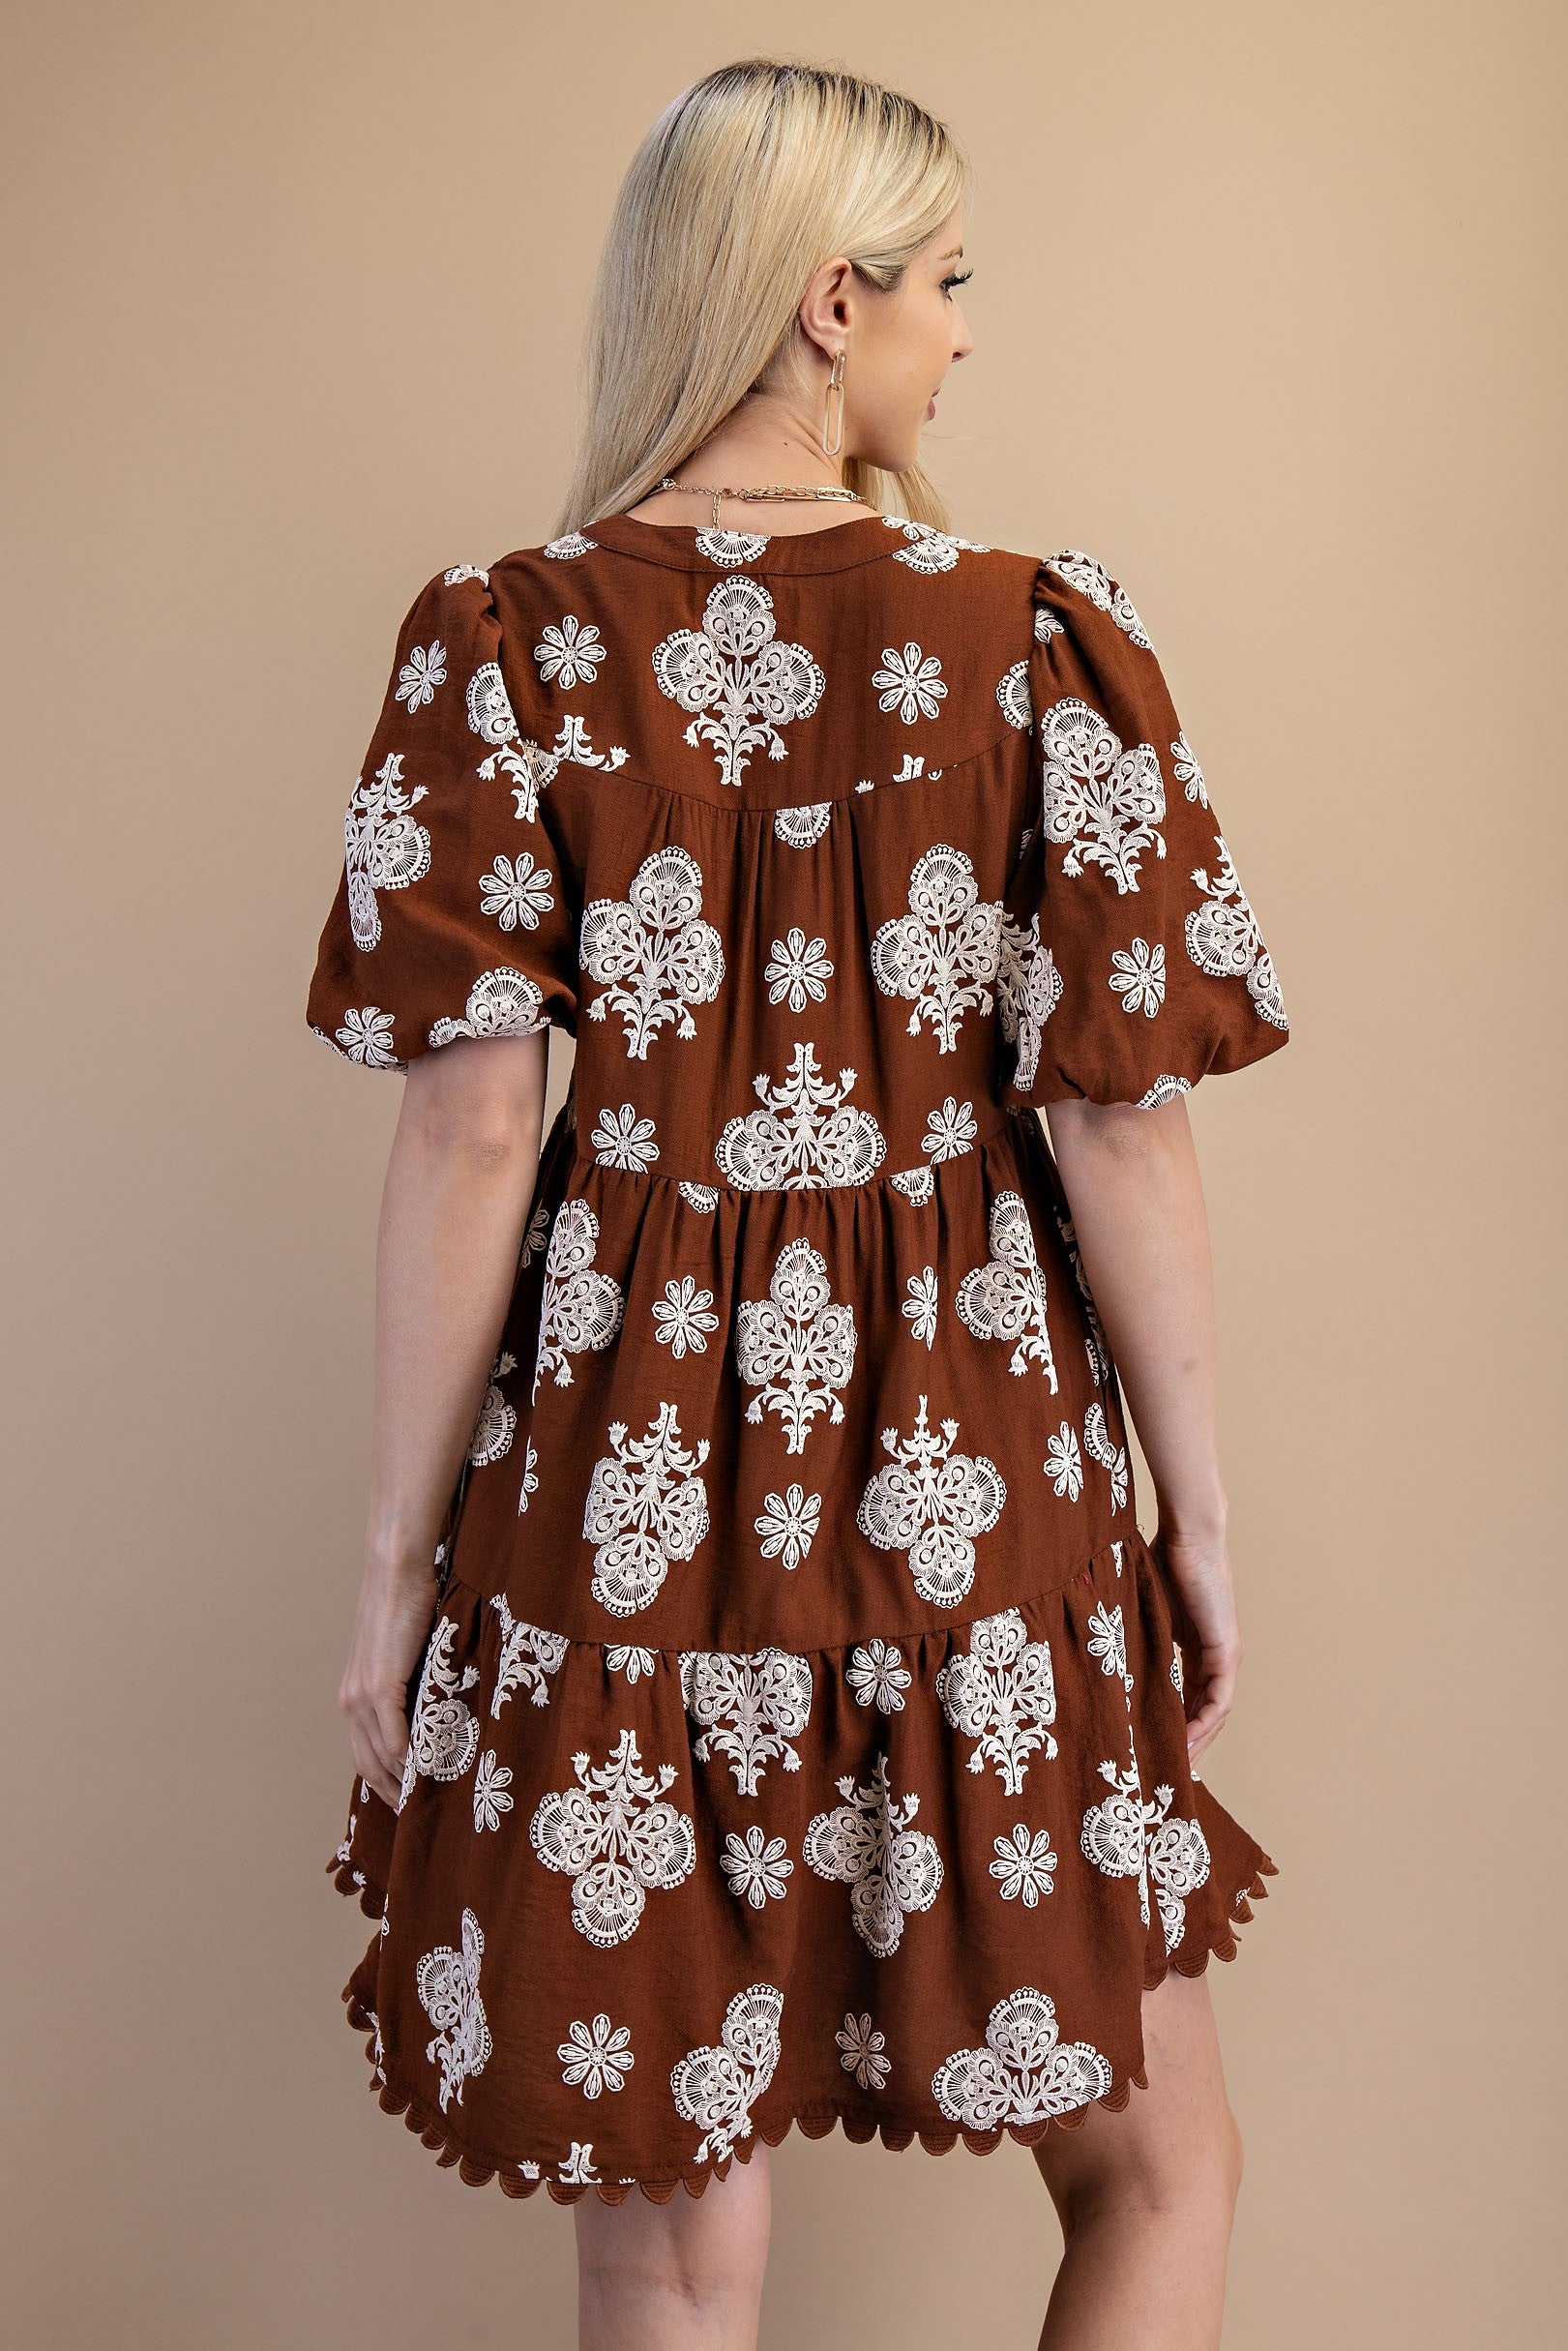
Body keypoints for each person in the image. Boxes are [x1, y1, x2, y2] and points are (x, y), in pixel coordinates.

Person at [306, 56, 1289, 2351]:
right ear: (828, 304)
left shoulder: (501, 634)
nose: (966, 333)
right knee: (1163, 2167)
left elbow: (462, 1133)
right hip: (973, 1467)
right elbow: (1121, 1117)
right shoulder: (1035, 633)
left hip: (619, 1484)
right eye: (947, 284)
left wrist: (393, 1564)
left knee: (671, 2238)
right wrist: (1200, 1516)